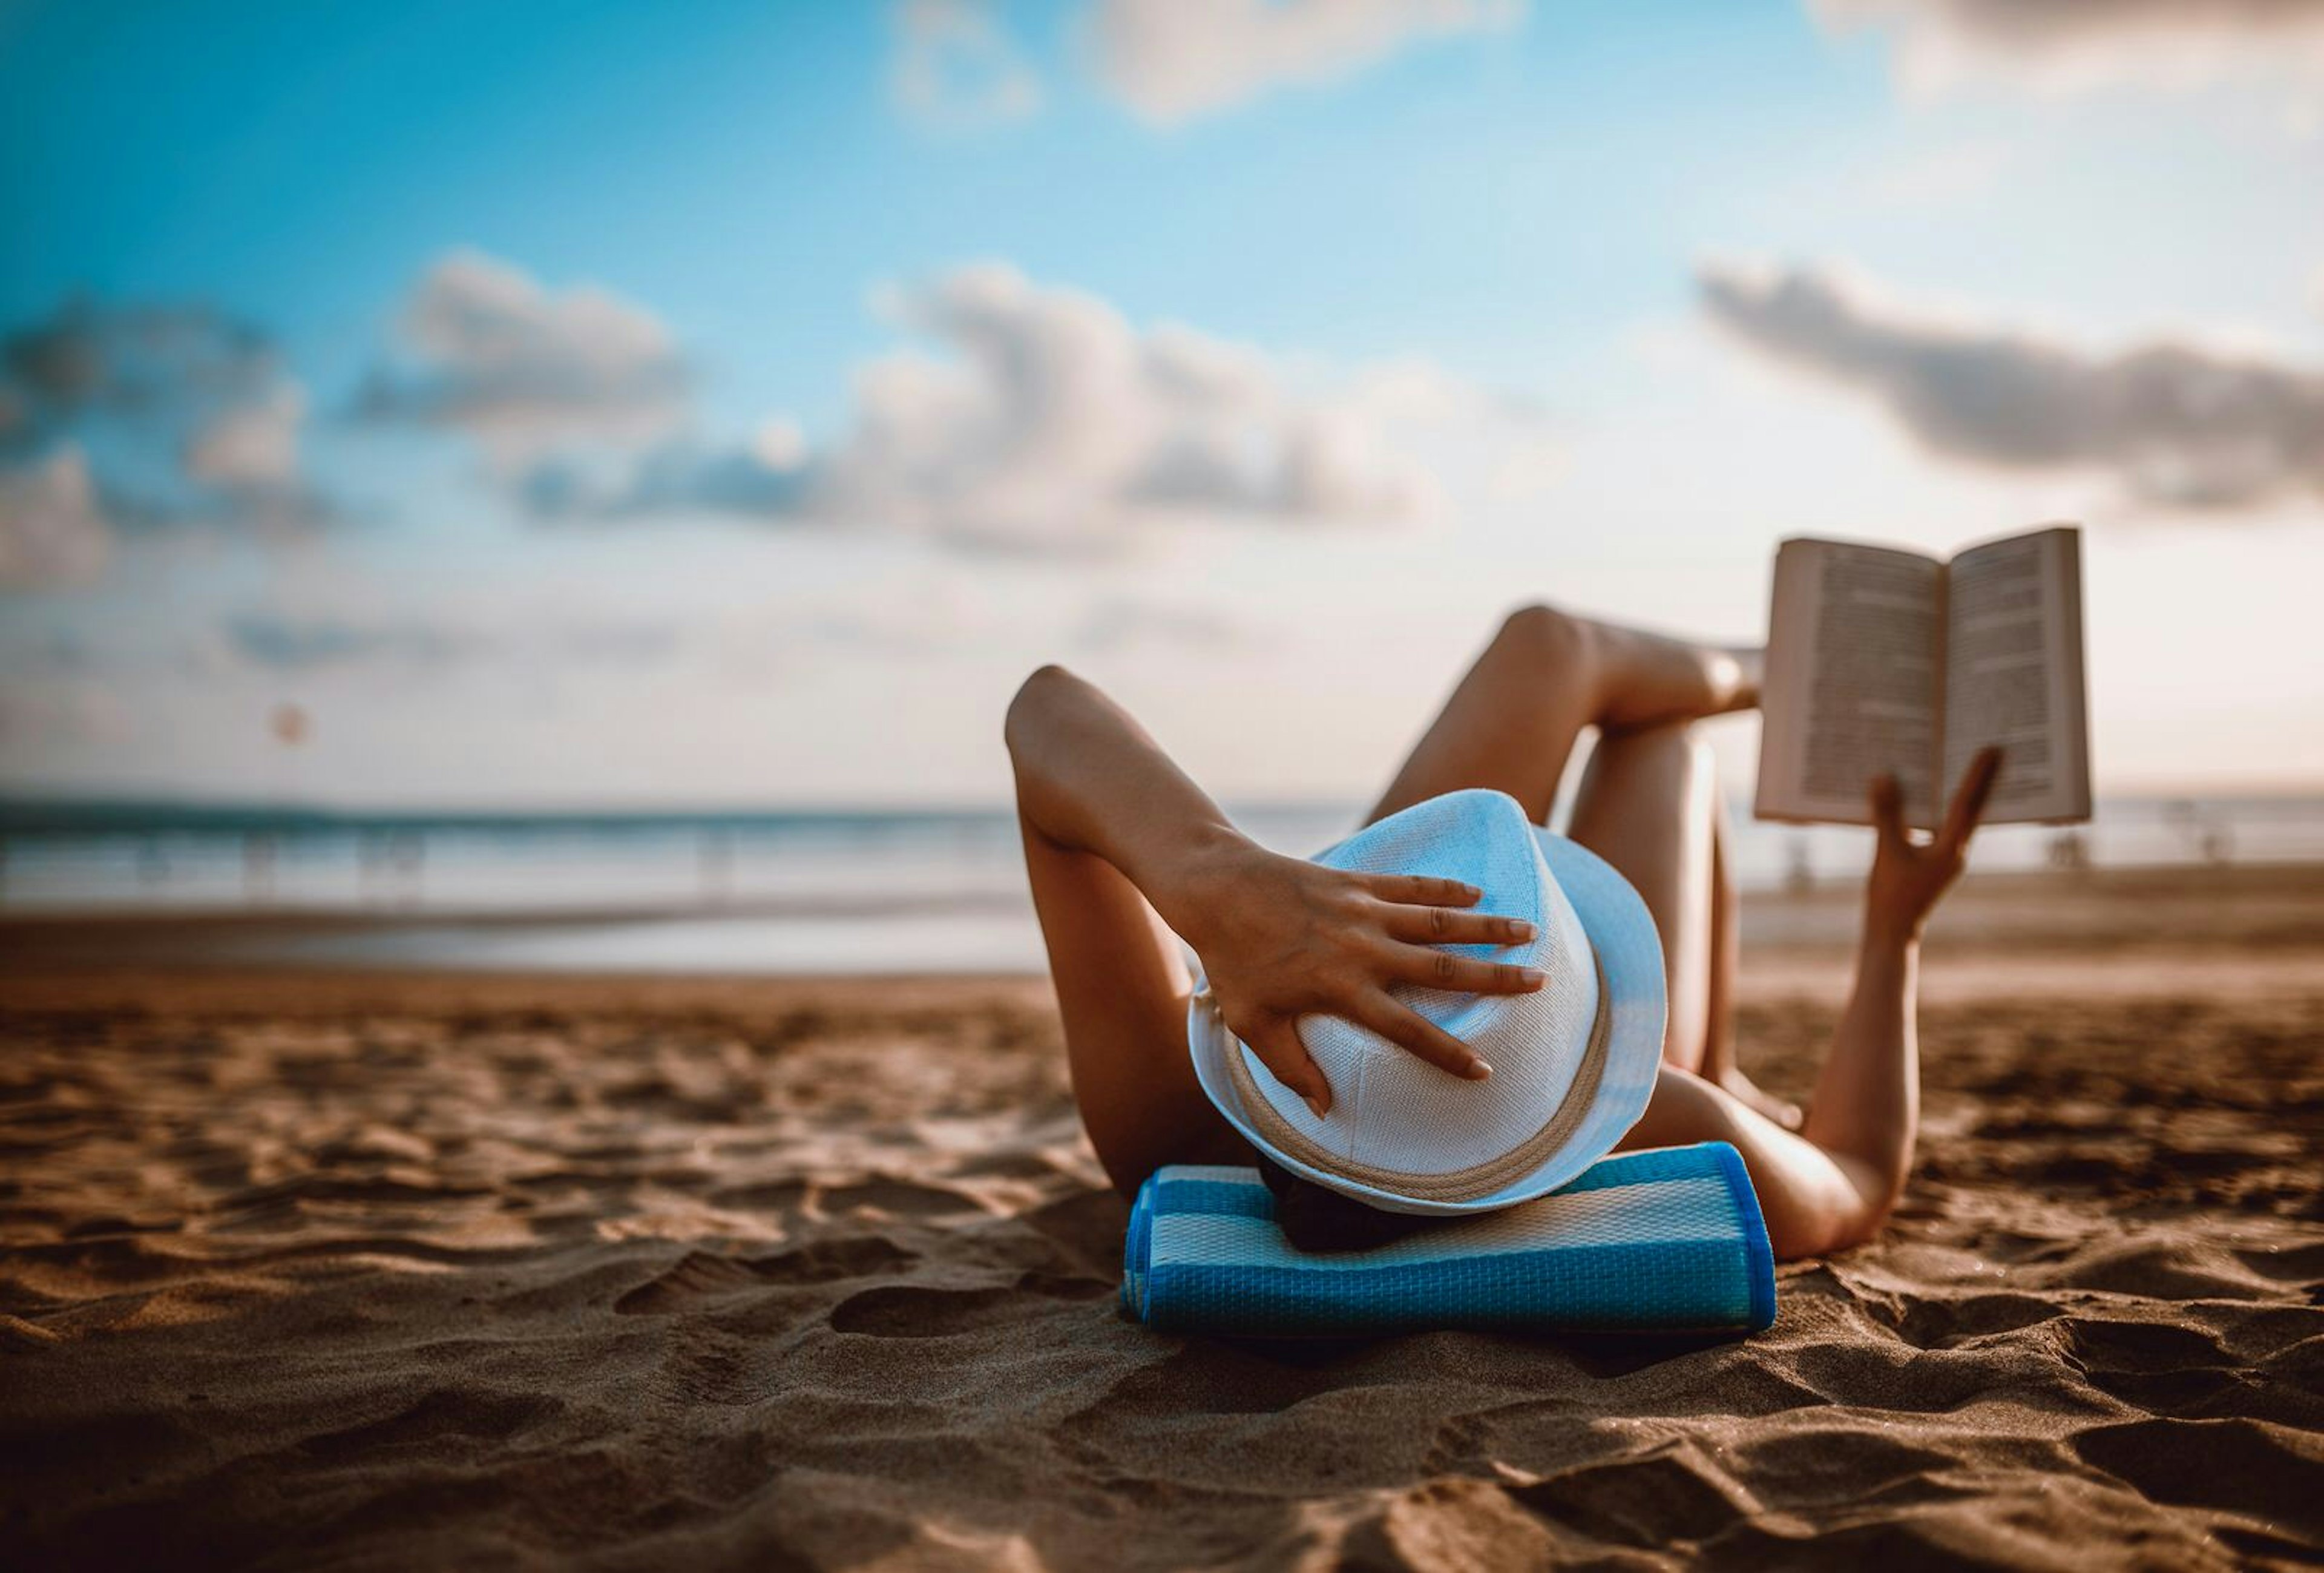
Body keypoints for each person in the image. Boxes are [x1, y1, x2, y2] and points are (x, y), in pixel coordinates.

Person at [1004, 605, 1998, 1260]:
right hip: (1659, 1090)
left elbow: (1046, 711)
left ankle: (1780, 672)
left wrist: (1219, 879)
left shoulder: (1180, 1127)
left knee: (1549, 648)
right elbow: (1859, 1173)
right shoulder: (1664, 1127)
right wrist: (1894, 928)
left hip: (1347, 1025)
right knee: (1656, 738)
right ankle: (1787, 676)